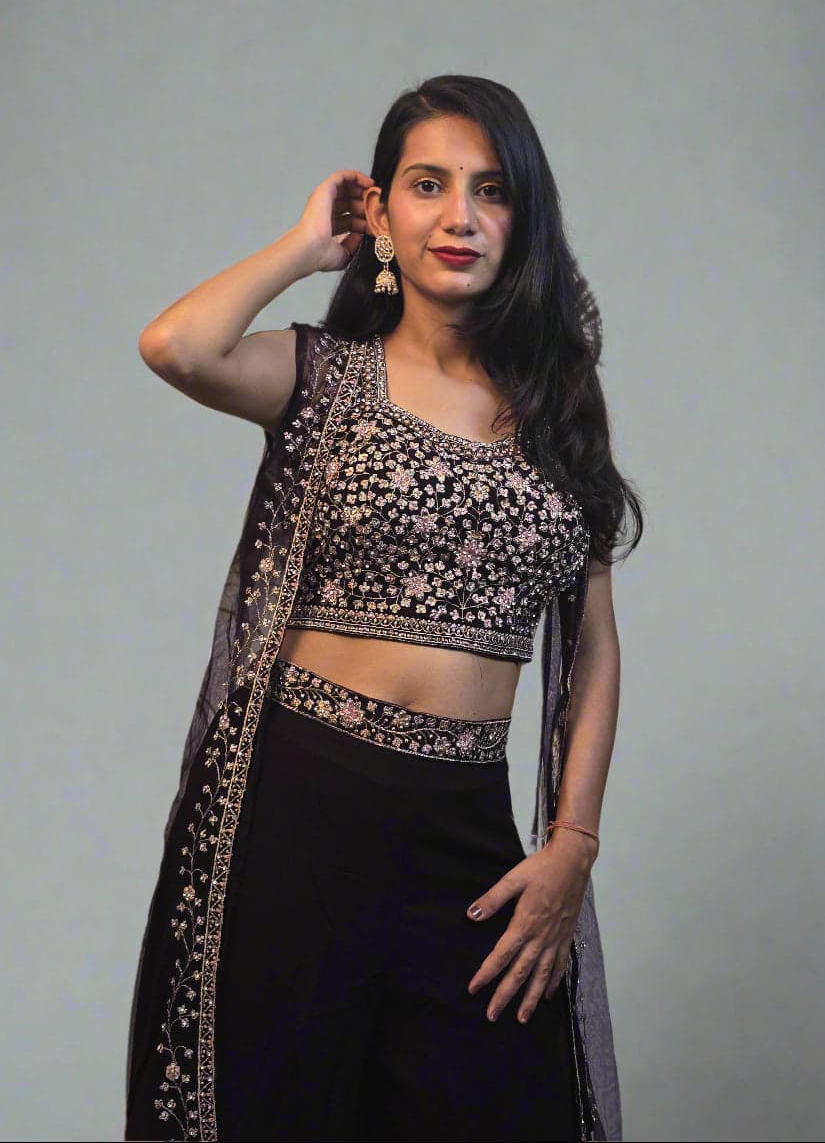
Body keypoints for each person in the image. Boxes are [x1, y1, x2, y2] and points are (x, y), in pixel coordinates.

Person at [124, 74, 643, 1143]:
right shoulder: (324, 378)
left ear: (524, 222)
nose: (460, 215)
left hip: (465, 829)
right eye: (427, 185)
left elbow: (591, 646)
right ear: (384, 218)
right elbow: (179, 345)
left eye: (492, 191)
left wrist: (573, 840)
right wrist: (306, 247)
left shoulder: (558, 408)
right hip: (300, 810)